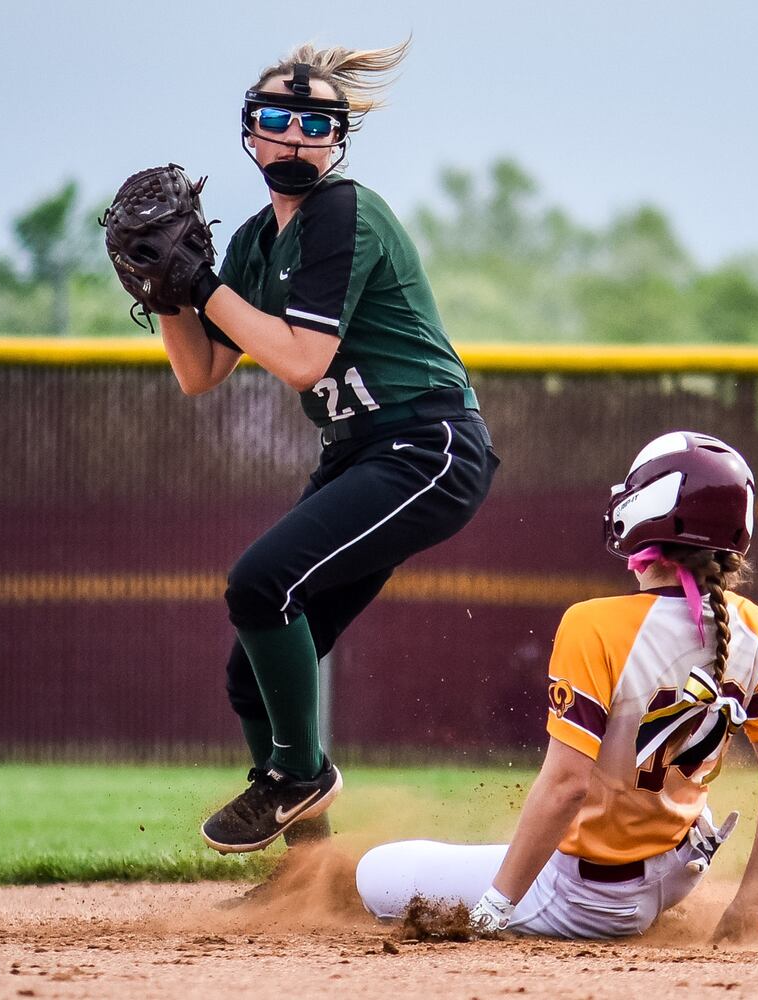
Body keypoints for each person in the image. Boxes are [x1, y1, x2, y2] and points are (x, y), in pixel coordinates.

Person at [154, 42, 498, 855]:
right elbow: (201, 373)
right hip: (359, 452)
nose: (299, 137)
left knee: (261, 583)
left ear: (338, 140)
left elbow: (303, 360)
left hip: (428, 444)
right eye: (279, 119)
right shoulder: (250, 243)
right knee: (251, 672)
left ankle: (300, 777)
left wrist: (202, 287)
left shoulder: (343, 210)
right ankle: (311, 874)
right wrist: (169, 293)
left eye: (319, 123)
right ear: (251, 133)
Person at [355, 432, 758, 942]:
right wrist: (750, 905)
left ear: (650, 508)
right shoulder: (754, 626)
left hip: (589, 900)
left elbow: (568, 785)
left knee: (375, 872)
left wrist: (492, 911)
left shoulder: (594, 624)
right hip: (678, 873)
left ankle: (516, 901)